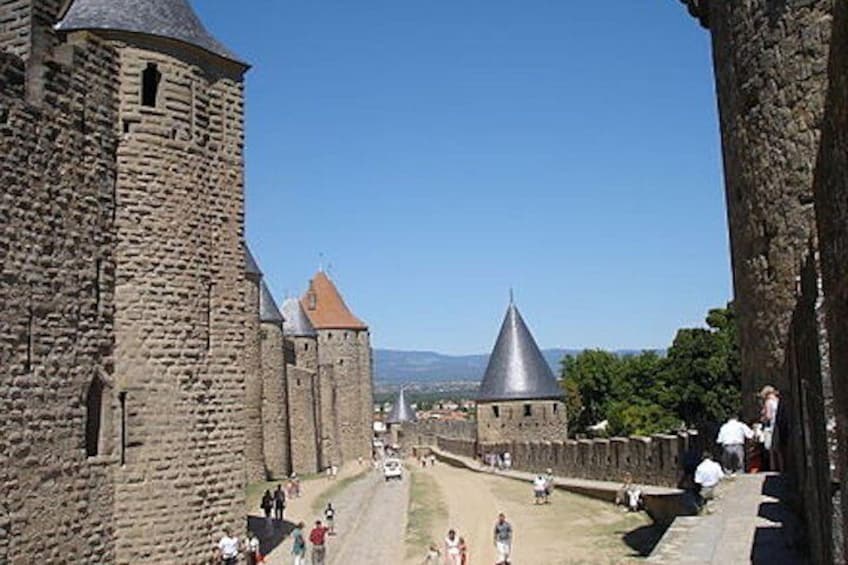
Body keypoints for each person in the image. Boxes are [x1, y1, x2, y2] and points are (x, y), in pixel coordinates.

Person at [760, 385, 784, 472]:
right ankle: (781, 467)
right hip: (778, 425)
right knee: (779, 449)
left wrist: (763, 418)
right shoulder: (777, 401)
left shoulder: (768, 402)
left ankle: (773, 467)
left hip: (771, 426)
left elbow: (768, 416)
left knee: (771, 449)